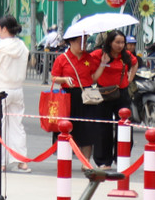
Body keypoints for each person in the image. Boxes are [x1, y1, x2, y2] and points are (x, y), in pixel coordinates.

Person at [0, 15, 31, 172]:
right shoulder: (22, 46)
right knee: (17, 125)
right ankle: (21, 161)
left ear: (4, 29)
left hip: (0, 88)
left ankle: (0, 162)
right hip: (17, 88)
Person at [50, 29, 99, 165]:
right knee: (66, 128)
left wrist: (102, 65)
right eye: (80, 42)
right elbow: (54, 77)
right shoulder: (62, 59)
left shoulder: (89, 58)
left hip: (87, 95)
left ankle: (86, 161)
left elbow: (93, 78)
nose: (83, 45)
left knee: (88, 129)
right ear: (71, 42)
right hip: (68, 97)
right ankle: (65, 159)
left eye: (85, 41)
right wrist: (64, 79)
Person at [90, 30, 137, 168]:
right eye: (117, 42)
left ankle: (121, 157)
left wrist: (130, 78)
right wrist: (103, 63)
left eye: (123, 42)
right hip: (103, 93)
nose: (120, 45)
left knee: (125, 125)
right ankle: (104, 161)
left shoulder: (126, 55)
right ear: (110, 42)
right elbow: (91, 72)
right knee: (103, 128)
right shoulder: (99, 54)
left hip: (122, 94)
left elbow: (135, 64)